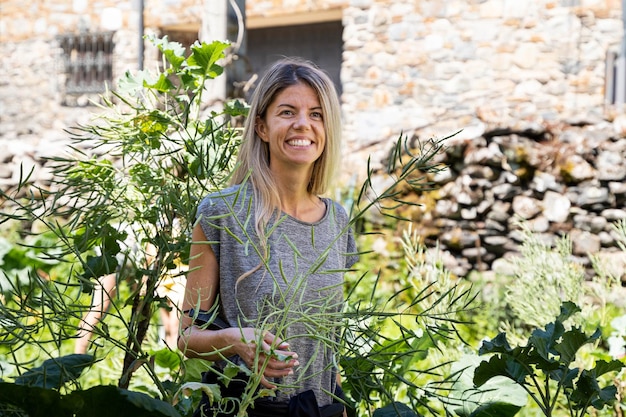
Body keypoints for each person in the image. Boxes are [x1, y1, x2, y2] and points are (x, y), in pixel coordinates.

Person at [178, 57, 358, 417]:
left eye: (317, 114)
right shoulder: (221, 214)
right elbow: (186, 337)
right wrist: (236, 340)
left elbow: (325, 339)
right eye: (288, 112)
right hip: (247, 408)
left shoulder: (337, 220)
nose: (303, 124)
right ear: (261, 126)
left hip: (323, 409)